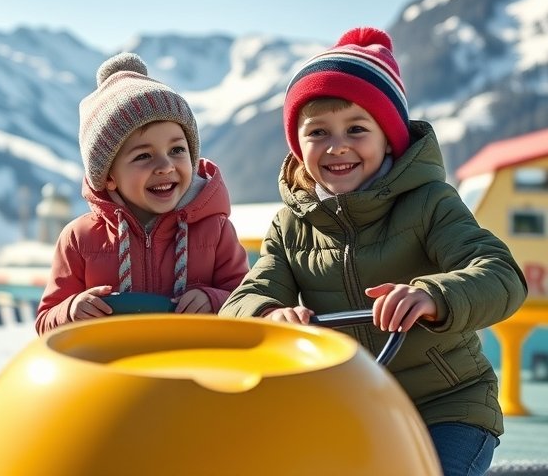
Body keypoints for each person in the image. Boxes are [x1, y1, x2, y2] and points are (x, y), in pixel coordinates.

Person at [219, 27, 527, 476]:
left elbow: (501, 276)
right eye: (318, 131)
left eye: (357, 129)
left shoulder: (430, 203)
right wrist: (267, 315)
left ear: (389, 138)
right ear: (297, 144)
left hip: (447, 407)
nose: (337, 145)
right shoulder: (290, 226)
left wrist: (433, 295)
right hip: (349, 405)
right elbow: (242, 301)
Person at [36, 53, 249, 334]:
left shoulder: (216, 231)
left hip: (194, 365)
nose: (165, 166)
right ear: (109, 176)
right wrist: (72, 309)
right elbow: (45, 321)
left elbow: (248, 302)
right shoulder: (79, 239)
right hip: (112, 371)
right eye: (143, 156)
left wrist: (214, 300)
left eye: (177, 150)